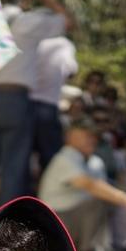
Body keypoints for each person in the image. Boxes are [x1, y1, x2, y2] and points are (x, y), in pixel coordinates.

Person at [0, 0, 70, 212]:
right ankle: (4, 224)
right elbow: (67, 21)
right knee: (13, 167)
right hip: (15, 98)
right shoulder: (28, 22)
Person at [37, 119, 126, 251]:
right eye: (85, 135)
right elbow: (92, 186)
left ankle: (110, 250)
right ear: (69, 137)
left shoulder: (95, 161)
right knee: (99, 201)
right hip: (55, 224)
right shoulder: (64, 158)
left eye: (93, 135)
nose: (91, 139)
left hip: (77, 222)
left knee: (110, 202)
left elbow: (104, 188)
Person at [30, 36, 78, 174]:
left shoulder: (33, 40)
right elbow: (71, 69)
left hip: (24, 105)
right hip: (47, 105)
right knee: (50, 158)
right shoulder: (63, 43)